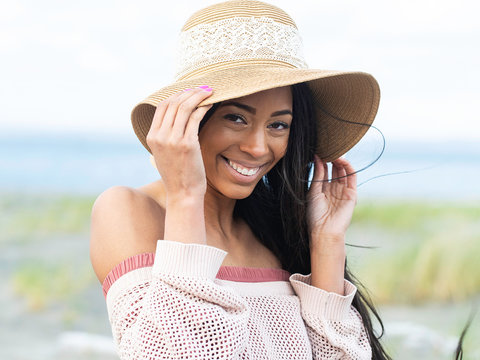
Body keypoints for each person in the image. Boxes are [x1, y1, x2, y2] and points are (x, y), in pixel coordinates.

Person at [90, 0, 391, 359]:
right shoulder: (128, 211)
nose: (257, 147)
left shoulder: (274, 234)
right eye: (236, 118)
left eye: (278, 125)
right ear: (188, 121)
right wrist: (186, 195)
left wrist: (326, 240)